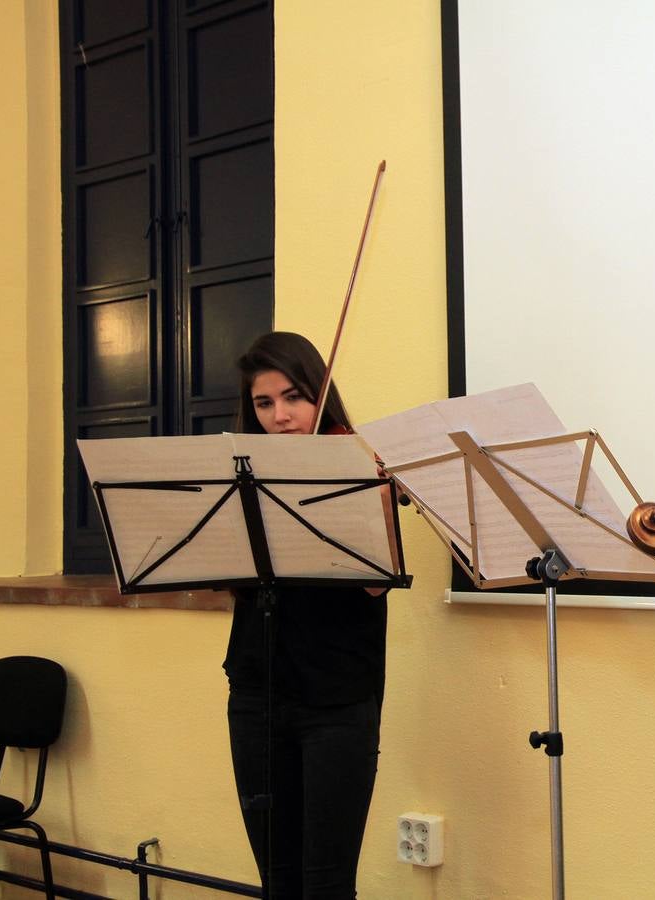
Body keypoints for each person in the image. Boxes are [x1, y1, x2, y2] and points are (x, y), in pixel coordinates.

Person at [225, 330, 393, 898]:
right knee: (276, 876)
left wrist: (370, 497)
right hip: (256, 689)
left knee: (325, 881)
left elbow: (374, 587)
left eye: (295, 397)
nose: (281, 416)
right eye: (264, 403)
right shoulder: (238, 477)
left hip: (338, 696)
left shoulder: (356, 464)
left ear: (321, 396)